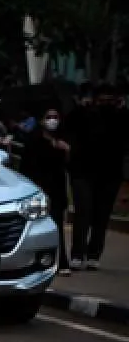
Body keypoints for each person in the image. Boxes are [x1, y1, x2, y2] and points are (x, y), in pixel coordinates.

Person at [64, 83, 129, 269]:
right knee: (83, 212)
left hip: (110, 174)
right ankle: (77, 254)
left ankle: (94, 255)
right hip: (83, 171)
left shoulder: (121, 117)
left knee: (102, 215)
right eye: (102, 99)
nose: (106, 103)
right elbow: (68, 129)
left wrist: (122, 111)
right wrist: (81, 108)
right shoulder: (82, 114)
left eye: (110, 99)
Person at [19, 107, 72, 275]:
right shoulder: (34, 141)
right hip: (38, 191)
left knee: (56, 226)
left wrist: (65, 151)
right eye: (49, 117)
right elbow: (27, 167)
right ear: (42, 120)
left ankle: (61, 261)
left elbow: (66, 167)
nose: (53, 120)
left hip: (56, 191)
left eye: (56, 117)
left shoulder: (61, 141)